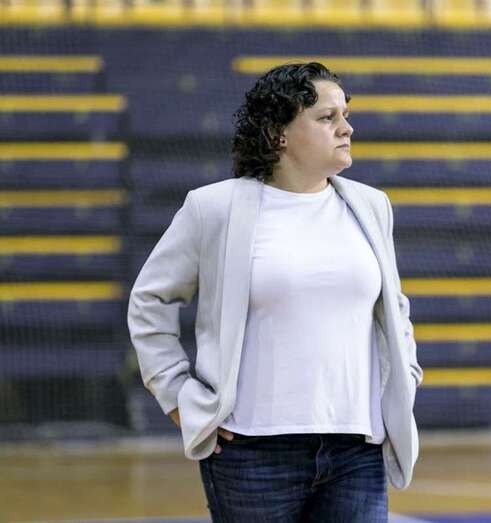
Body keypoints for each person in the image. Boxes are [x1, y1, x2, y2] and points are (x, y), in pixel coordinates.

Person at [127, 62, 423, 522]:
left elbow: (394, 309)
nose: (347, 127)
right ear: (277, 133)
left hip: (357, 450)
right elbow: (150, 302)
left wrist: (406, 374)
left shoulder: (371, 206)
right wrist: (177, 396)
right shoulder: (214, 208)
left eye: (345, 114)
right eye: (327, 118)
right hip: (250, 452)